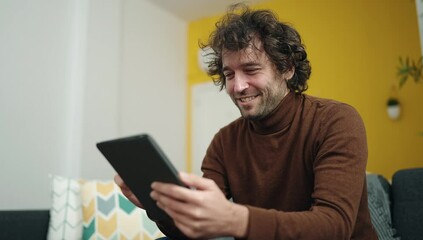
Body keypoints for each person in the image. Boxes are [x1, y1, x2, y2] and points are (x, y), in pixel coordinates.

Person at [115, 4, 378, 240]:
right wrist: (159, 208)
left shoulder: (336, 120)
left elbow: (334, 227)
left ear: (287, 68)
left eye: (251, 70)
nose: (238, 86)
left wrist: (235, 219)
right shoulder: (224, 141)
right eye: (229, 74)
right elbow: (195, 229)